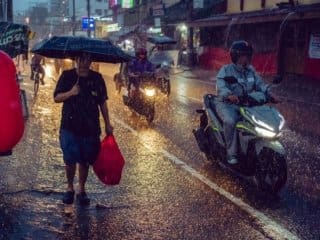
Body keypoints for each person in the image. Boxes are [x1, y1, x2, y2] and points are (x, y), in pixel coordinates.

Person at [53, 53, 113, 205]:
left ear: (91, 60)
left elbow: (102, 103)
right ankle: (69, 188)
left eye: (87, 59)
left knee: (85, 160)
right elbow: (56, 98)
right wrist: (71, 92)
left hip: (90, 126)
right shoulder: (67, 76)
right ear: (76, 59)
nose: (84, 62)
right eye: (81, 59)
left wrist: (107, 124)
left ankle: (82, 189)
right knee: (70, 159)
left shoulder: (97, 78)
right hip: (69, 125)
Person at [215, 40, 280, 165]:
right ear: (235, 56)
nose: (246, 59)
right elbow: (221, 86)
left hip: (247, 104)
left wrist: (270, 94)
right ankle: (231, 153)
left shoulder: (251, 70)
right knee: (230, 121)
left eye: (248, 56)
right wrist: (229, 95)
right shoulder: (226, 70)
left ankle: (249, 148)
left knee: (258, 120)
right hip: (228, 104)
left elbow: (260, 84)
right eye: (243, 56)